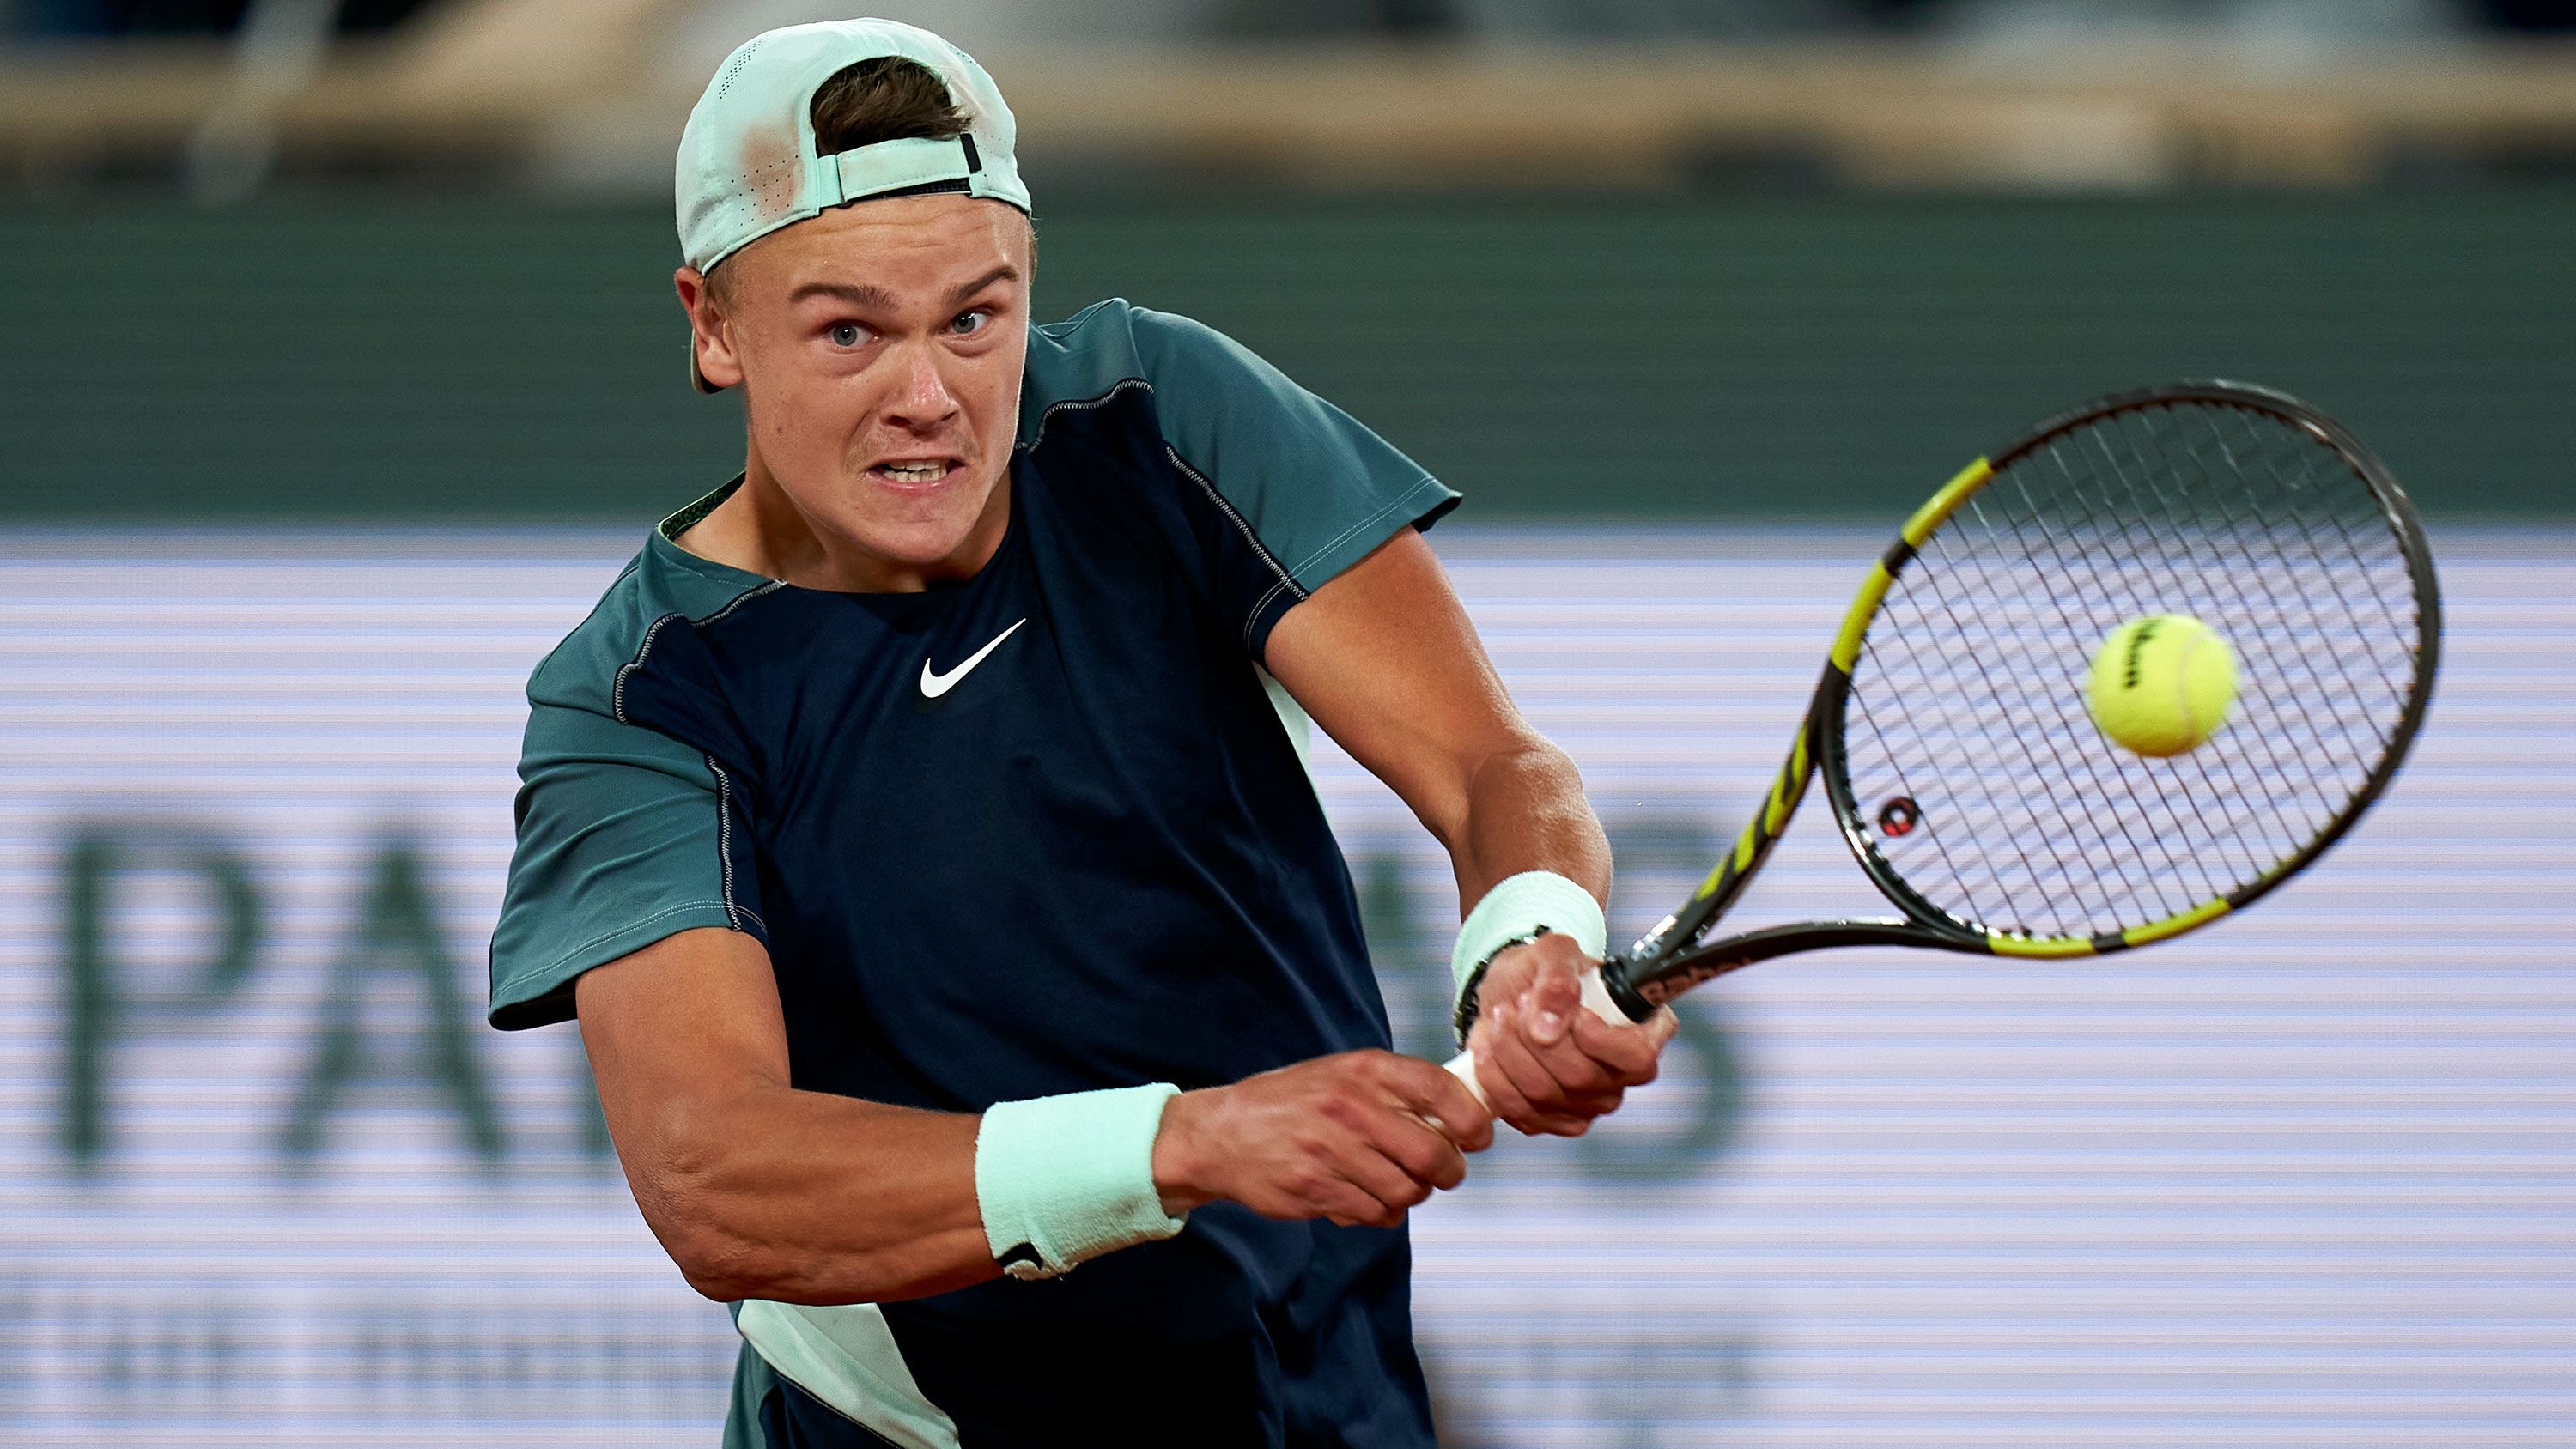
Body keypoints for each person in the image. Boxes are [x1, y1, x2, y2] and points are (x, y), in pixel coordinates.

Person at [486, 19, 1674, 1447]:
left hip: (1321, 1392)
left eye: (974, 320)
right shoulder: (639, 700)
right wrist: (1182, 1142)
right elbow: (714, 1178)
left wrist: (1532, 942)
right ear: (714, 326)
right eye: (849, 329)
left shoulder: (1154, 416)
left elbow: (1495, 767)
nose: (927, 397)